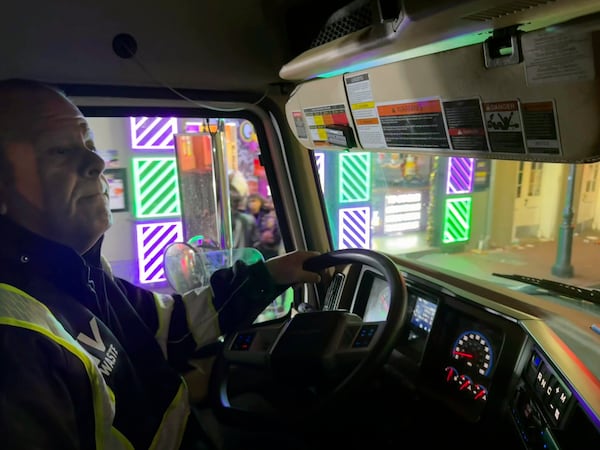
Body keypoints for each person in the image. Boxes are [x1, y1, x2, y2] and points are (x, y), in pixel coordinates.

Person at [0, 78, 322, 449]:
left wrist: (271, 275)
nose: (96, 161)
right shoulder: (16, 338)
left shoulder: (81, 273)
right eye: (58, 150)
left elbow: (172, 324)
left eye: (88, 144)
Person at [246, 193, 281, 259]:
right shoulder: (246, 217)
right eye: (250, 201)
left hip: (270, 249)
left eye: (254, 201)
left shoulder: (266, 215)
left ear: (260, 202)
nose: (252, 204)